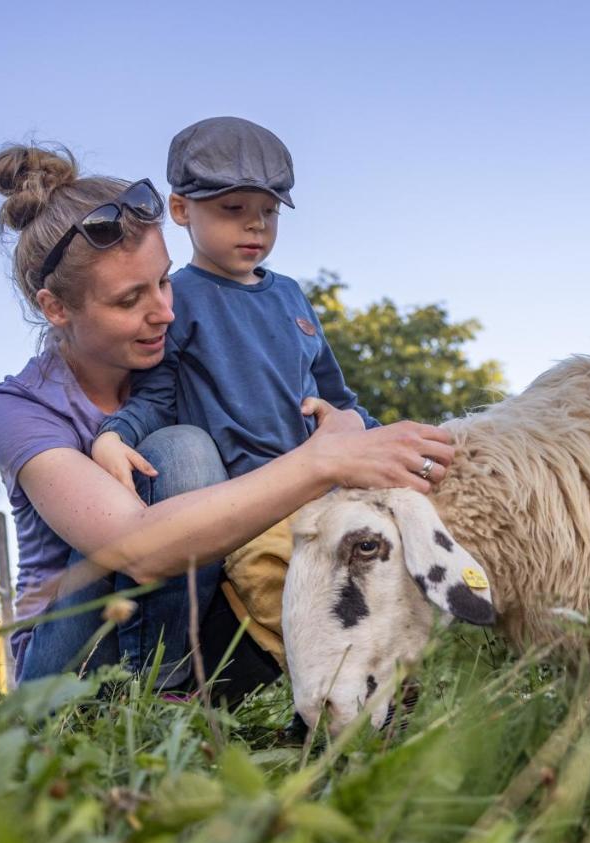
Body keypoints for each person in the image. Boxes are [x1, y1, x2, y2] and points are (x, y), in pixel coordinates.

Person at [0, 143, 452, 699]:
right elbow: (136, 548)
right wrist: (321, 460)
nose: (166, 312)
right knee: (183, 450)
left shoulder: (191, 359)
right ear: (56, 308)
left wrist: (368, 439)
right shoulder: (18, 409)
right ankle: (149, 700)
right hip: (74, 661)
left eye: (164, 281)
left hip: (198, 621)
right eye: (131, 299)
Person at [89, 117, 386, 663]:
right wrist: (112, 435)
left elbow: (342, 403)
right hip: (247, 508)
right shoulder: (179, 299)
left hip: (325, 493)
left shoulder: (293, 297)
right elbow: (155, 398)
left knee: (385, 575)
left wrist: (390, 441)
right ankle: (324, 693)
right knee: (297, 608)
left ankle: (392, 687)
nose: (256, 228)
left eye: (269, 213)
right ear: (182, 211)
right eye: (233, 210)